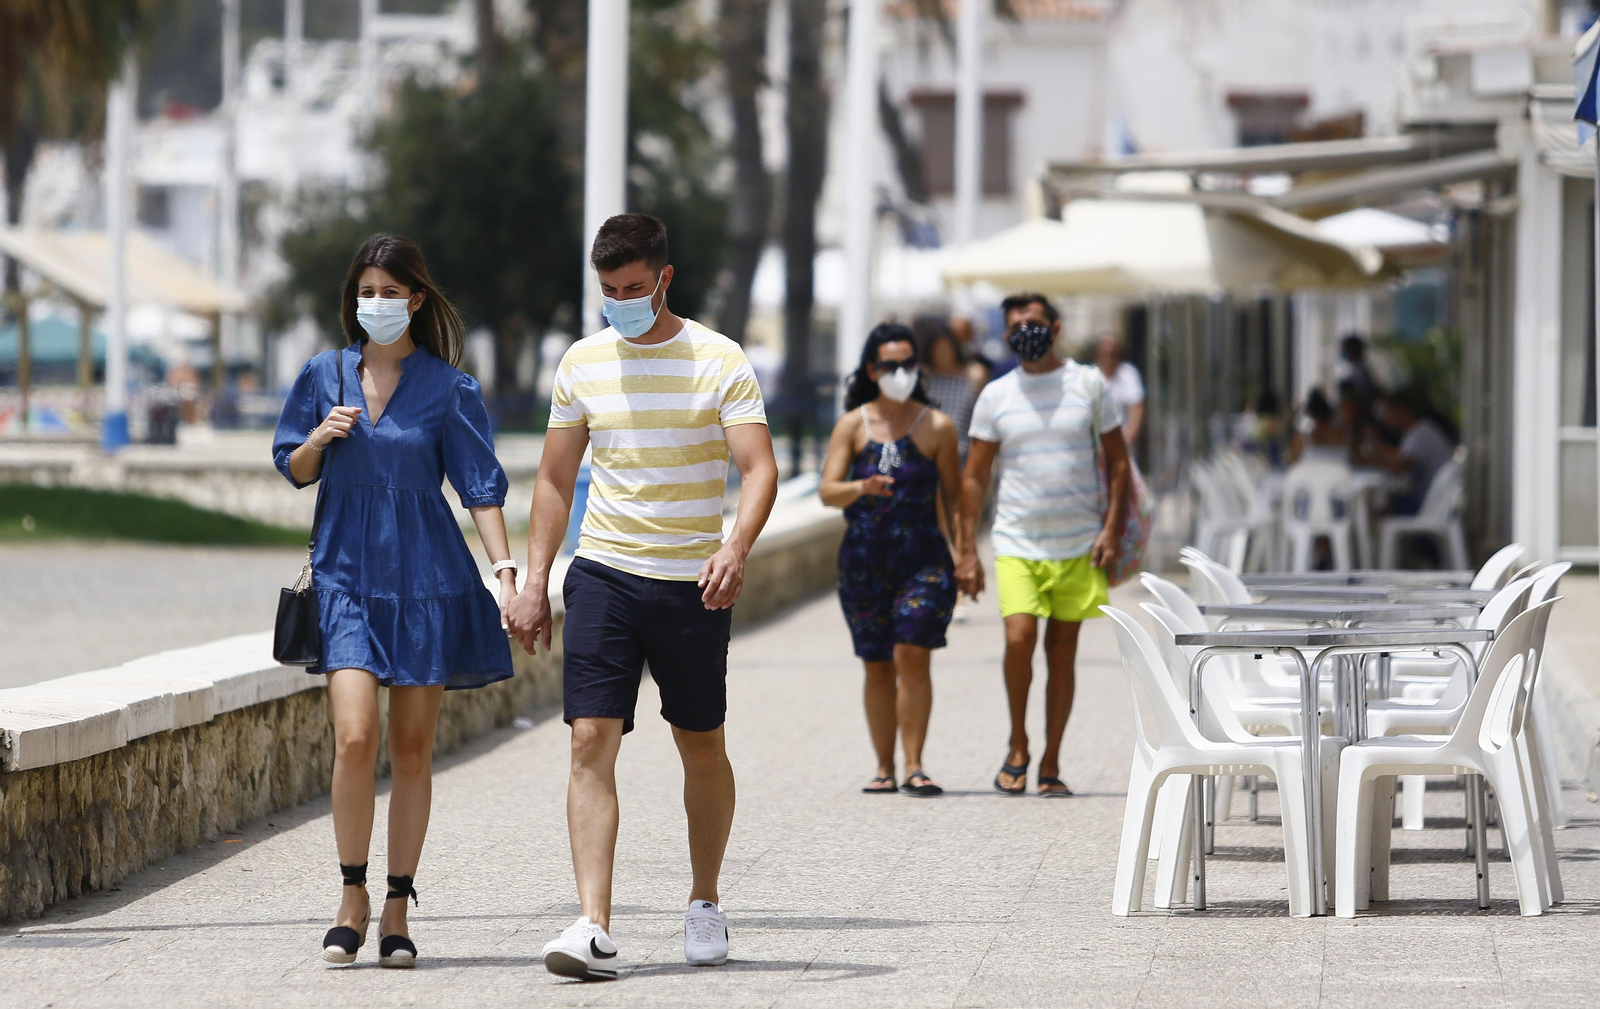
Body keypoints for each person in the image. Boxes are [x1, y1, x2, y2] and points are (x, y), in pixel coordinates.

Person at [505, 213, 779, 981]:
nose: (620, 301)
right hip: (605, 575)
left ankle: (704, 901)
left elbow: (759, 468)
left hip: (693, 579)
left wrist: (734, 547)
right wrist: (535, 581)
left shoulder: (720, 358)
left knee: (702, 743)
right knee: (590, 738)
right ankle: (593, 923)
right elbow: (556, 479)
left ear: (664, 278)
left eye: (633, 288)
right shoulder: (583, 363)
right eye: (609, 290)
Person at [272, 234, 518, 968]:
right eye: (365, 291)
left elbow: (480, 487)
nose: (375, 303)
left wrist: (504, 569)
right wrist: (318, 435)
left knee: (411, 747)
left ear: (416, 297)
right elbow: (294, 467)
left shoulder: (449, 388)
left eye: (389, 291)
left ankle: (398, 904)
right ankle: (351, 894)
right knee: (353, 737)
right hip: (345, 578)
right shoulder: (324, 373)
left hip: (428, 585)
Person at [955, 293, 1131, 797]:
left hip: (1078, 543)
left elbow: (1118, 462)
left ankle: (1051, 760)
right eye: (1014, 327)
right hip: (1017, 541)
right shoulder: (996, 395)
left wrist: (1111, 530)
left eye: (1032, 323)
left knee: (1061, 655)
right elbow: (974, 477)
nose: (1023, 333)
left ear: (1055, 328)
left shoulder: (1089, 384)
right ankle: (1017, 743)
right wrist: (967, 549)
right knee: (1017, 641)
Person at [819, 323, 964, 797]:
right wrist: (861, 487)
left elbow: (956, 498)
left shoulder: (937, 426)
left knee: (912, 653)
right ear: (872, 369)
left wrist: (967, 557)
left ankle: (915, 764)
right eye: (889, 364)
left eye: (907, 363)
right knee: (877, 663)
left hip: (924, 561)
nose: (899, 372)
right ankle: (884, 767)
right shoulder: (852, 425)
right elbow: (827, 491)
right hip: (863, 563)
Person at [1371, 385, 1456, 515]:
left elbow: (1398, 468)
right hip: (1434, 502)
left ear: (1400, 411)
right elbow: (1398, 458)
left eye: (1387, 412)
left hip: (1429, 506)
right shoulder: (1421, 429)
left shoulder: (1419, 435)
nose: (1385, 418)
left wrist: (1374, 449)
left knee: (1381, 506)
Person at [913, 315, 985, 463]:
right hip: (928, 452)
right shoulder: (923, 377)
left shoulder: (973, 374)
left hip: (962, 452)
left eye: (946, 348)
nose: (944, 355)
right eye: (938, 350)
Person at [1093, 336, 1145, 445]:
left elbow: (1136, 406)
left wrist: (1129, 436)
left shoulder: (1128, 374)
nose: (1109, 358)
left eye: (1113, 354)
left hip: (1123, 441)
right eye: (1105, 354)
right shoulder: (1090, 376)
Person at [1287, 388, 1347, 465]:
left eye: (1323, 423)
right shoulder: (1302, 440)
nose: (1322, 428)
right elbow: (1289, 463)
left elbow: (1289, 462)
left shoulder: (1342, 436)